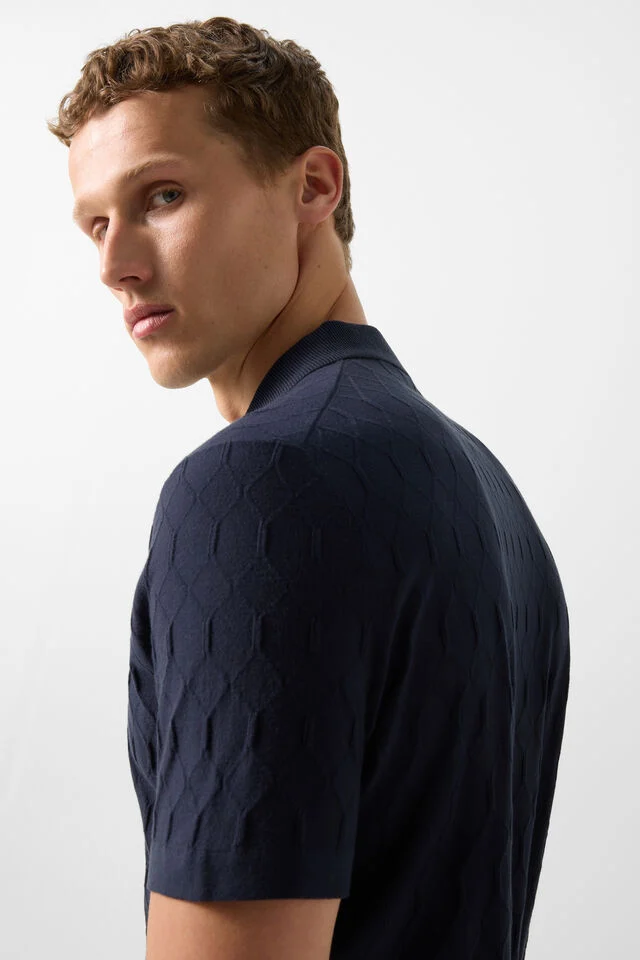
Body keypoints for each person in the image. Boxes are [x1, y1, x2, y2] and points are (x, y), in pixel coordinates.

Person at [49, 15, 571, 960]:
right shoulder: (491, 498)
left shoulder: (257, 487)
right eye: (96, 224)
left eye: (162, 196)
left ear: (314, 186)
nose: (115, 266)